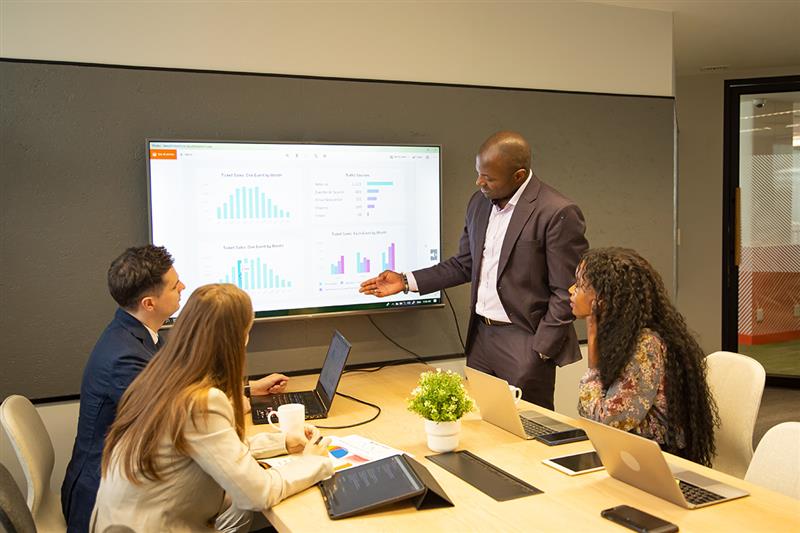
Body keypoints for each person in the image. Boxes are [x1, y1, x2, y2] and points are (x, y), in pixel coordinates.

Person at [61, 245, 287, 532]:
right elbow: (187, 413)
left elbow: (184, 392)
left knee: (240, 498)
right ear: (149, 303)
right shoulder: (125, 359)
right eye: (174, 285)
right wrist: (237, 403)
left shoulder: (139, 336)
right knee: (244, 499)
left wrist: (248, 389)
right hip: (113, 508)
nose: (182, 287)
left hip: (136, 490)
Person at [360, 131, 588, 408]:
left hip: (525, 340)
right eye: (478, 173)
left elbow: (566, 290)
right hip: (481, 337)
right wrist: (406, 281)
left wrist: (540, 350)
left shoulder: (556, 211)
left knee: (526, 427)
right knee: (480, 422)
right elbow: (464, 264)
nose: (479, 182)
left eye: (488, 177)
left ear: (518, 176)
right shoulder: (479, 203)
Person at [91, 283, 333, 531]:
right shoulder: (201, 402)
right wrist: (310, 463)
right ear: (236, 340)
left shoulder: (161, 375)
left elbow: (214, 448)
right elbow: (258, 494)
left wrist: (282, 442)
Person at [570, 247, 718, 466]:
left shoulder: (645, 346)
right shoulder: (621, 337)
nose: (571, 290)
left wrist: (591, 338)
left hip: (656, 462)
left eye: (580, 285)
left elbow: (608, 420)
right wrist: (593, 331)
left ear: (603, 299)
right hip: (630, 454)